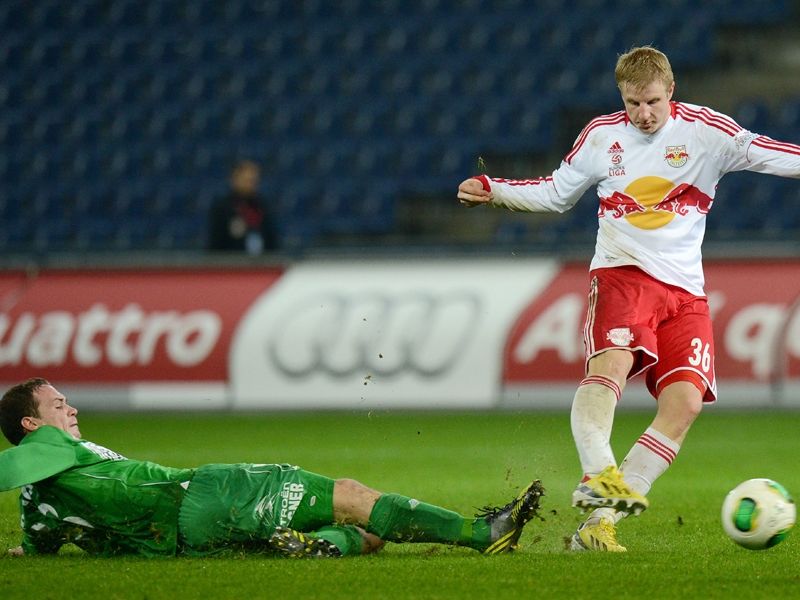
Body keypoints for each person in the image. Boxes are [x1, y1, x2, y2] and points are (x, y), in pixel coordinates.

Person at [457, 46, 800, 552]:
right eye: (633, 103)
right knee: (611, 366)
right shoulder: (602, 136)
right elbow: (556, 192)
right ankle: (598, 472)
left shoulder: (706, 131)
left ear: (671, 92)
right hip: (623, 274)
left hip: (686, 292)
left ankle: (598, 526)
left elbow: (771, 153)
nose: (643, 114)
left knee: (684, 404)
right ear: (622, 96)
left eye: (653, 102)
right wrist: (495, 190)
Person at [0, 378, 544, 558]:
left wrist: (24, 550)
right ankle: (482, 534)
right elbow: (14, 467)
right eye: (58, 405)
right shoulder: (46, 446)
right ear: (31, 425)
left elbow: (39, 543)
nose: (71, 410)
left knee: (369, 535)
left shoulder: (40, 503)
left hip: (186, 542)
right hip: (206, 492)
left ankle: (329, 545)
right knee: (352, 494)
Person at [207, 159, 278, 254]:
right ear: (234, 180)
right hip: (231, 261)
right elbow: (215, 243)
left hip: (260, 261)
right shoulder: (223, 208)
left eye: (253, 180)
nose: (250, 184)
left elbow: (272, 240)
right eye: (246, 180)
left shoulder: (262, 206)